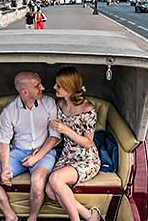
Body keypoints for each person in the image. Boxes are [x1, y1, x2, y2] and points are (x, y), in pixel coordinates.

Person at [0, 71, 60, 221]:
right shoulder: (8, 112)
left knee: (37, 182)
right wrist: (5, 168)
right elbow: (4, 141)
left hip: (44, 152)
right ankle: (10, 215)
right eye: (37, 86)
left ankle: (32, 217)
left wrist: (37, 157)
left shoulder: (49, 103)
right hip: (18, 153)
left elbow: (55, 136)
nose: (42, 87)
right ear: (25, 92)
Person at [46, 67, 101, 221]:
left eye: (59, 85)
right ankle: (90, 216)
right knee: (50, 191)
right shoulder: (59, 105)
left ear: (69, 88)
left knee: (56, 179)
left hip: (86, 158)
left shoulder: (87, 109)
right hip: (67, 155)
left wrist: (66, 130)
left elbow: (88, 143)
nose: (54, 88)